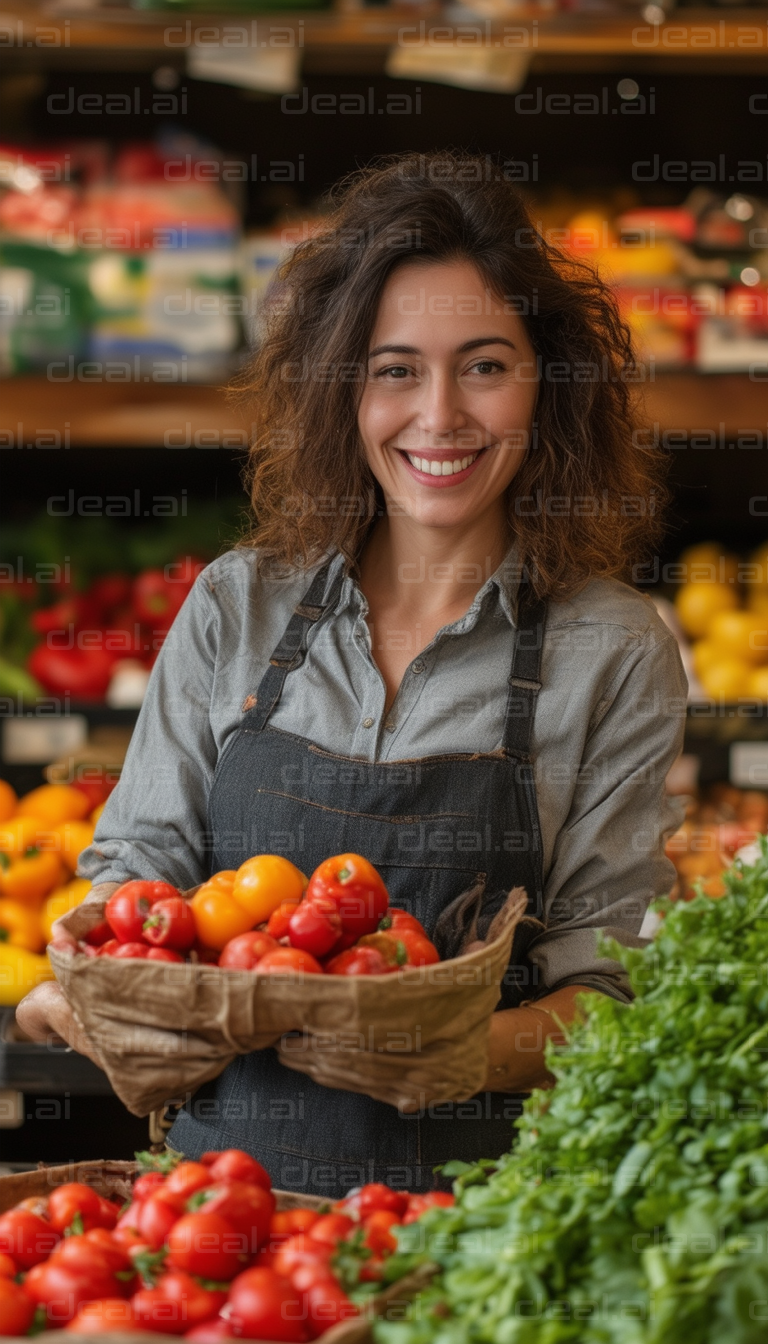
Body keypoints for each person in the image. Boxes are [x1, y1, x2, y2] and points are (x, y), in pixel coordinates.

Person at [18, 150, 687, 1197]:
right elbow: (132, 871)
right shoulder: (237, 605)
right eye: (394, 369)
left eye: (486, 365)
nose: (440, 417)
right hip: (222, 1236)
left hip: (475, 1234)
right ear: (343, 391)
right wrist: (84, 990)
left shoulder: (614, 649)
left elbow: (604, 988)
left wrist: (464, 1055)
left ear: (548, 386)